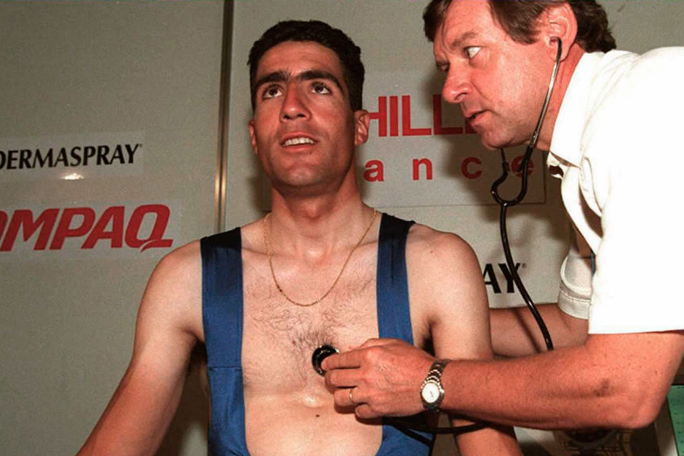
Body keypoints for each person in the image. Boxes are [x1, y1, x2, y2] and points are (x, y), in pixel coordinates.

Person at [76, 20, 521, 456]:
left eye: (319, 87)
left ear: (360, 126)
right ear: (254, 135)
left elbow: (489, 447)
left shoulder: (435, 264)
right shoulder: (187, 278)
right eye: (272, 91)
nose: (292, 107)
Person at [323, 0, 684, 430]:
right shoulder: (584, 156)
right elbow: (575, 328)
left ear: (555, 31)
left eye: (471, 51)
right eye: (446, 67)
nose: (450, 90)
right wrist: (419, 314)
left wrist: (428, 381)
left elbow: (623, 387)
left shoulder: (646, 101)